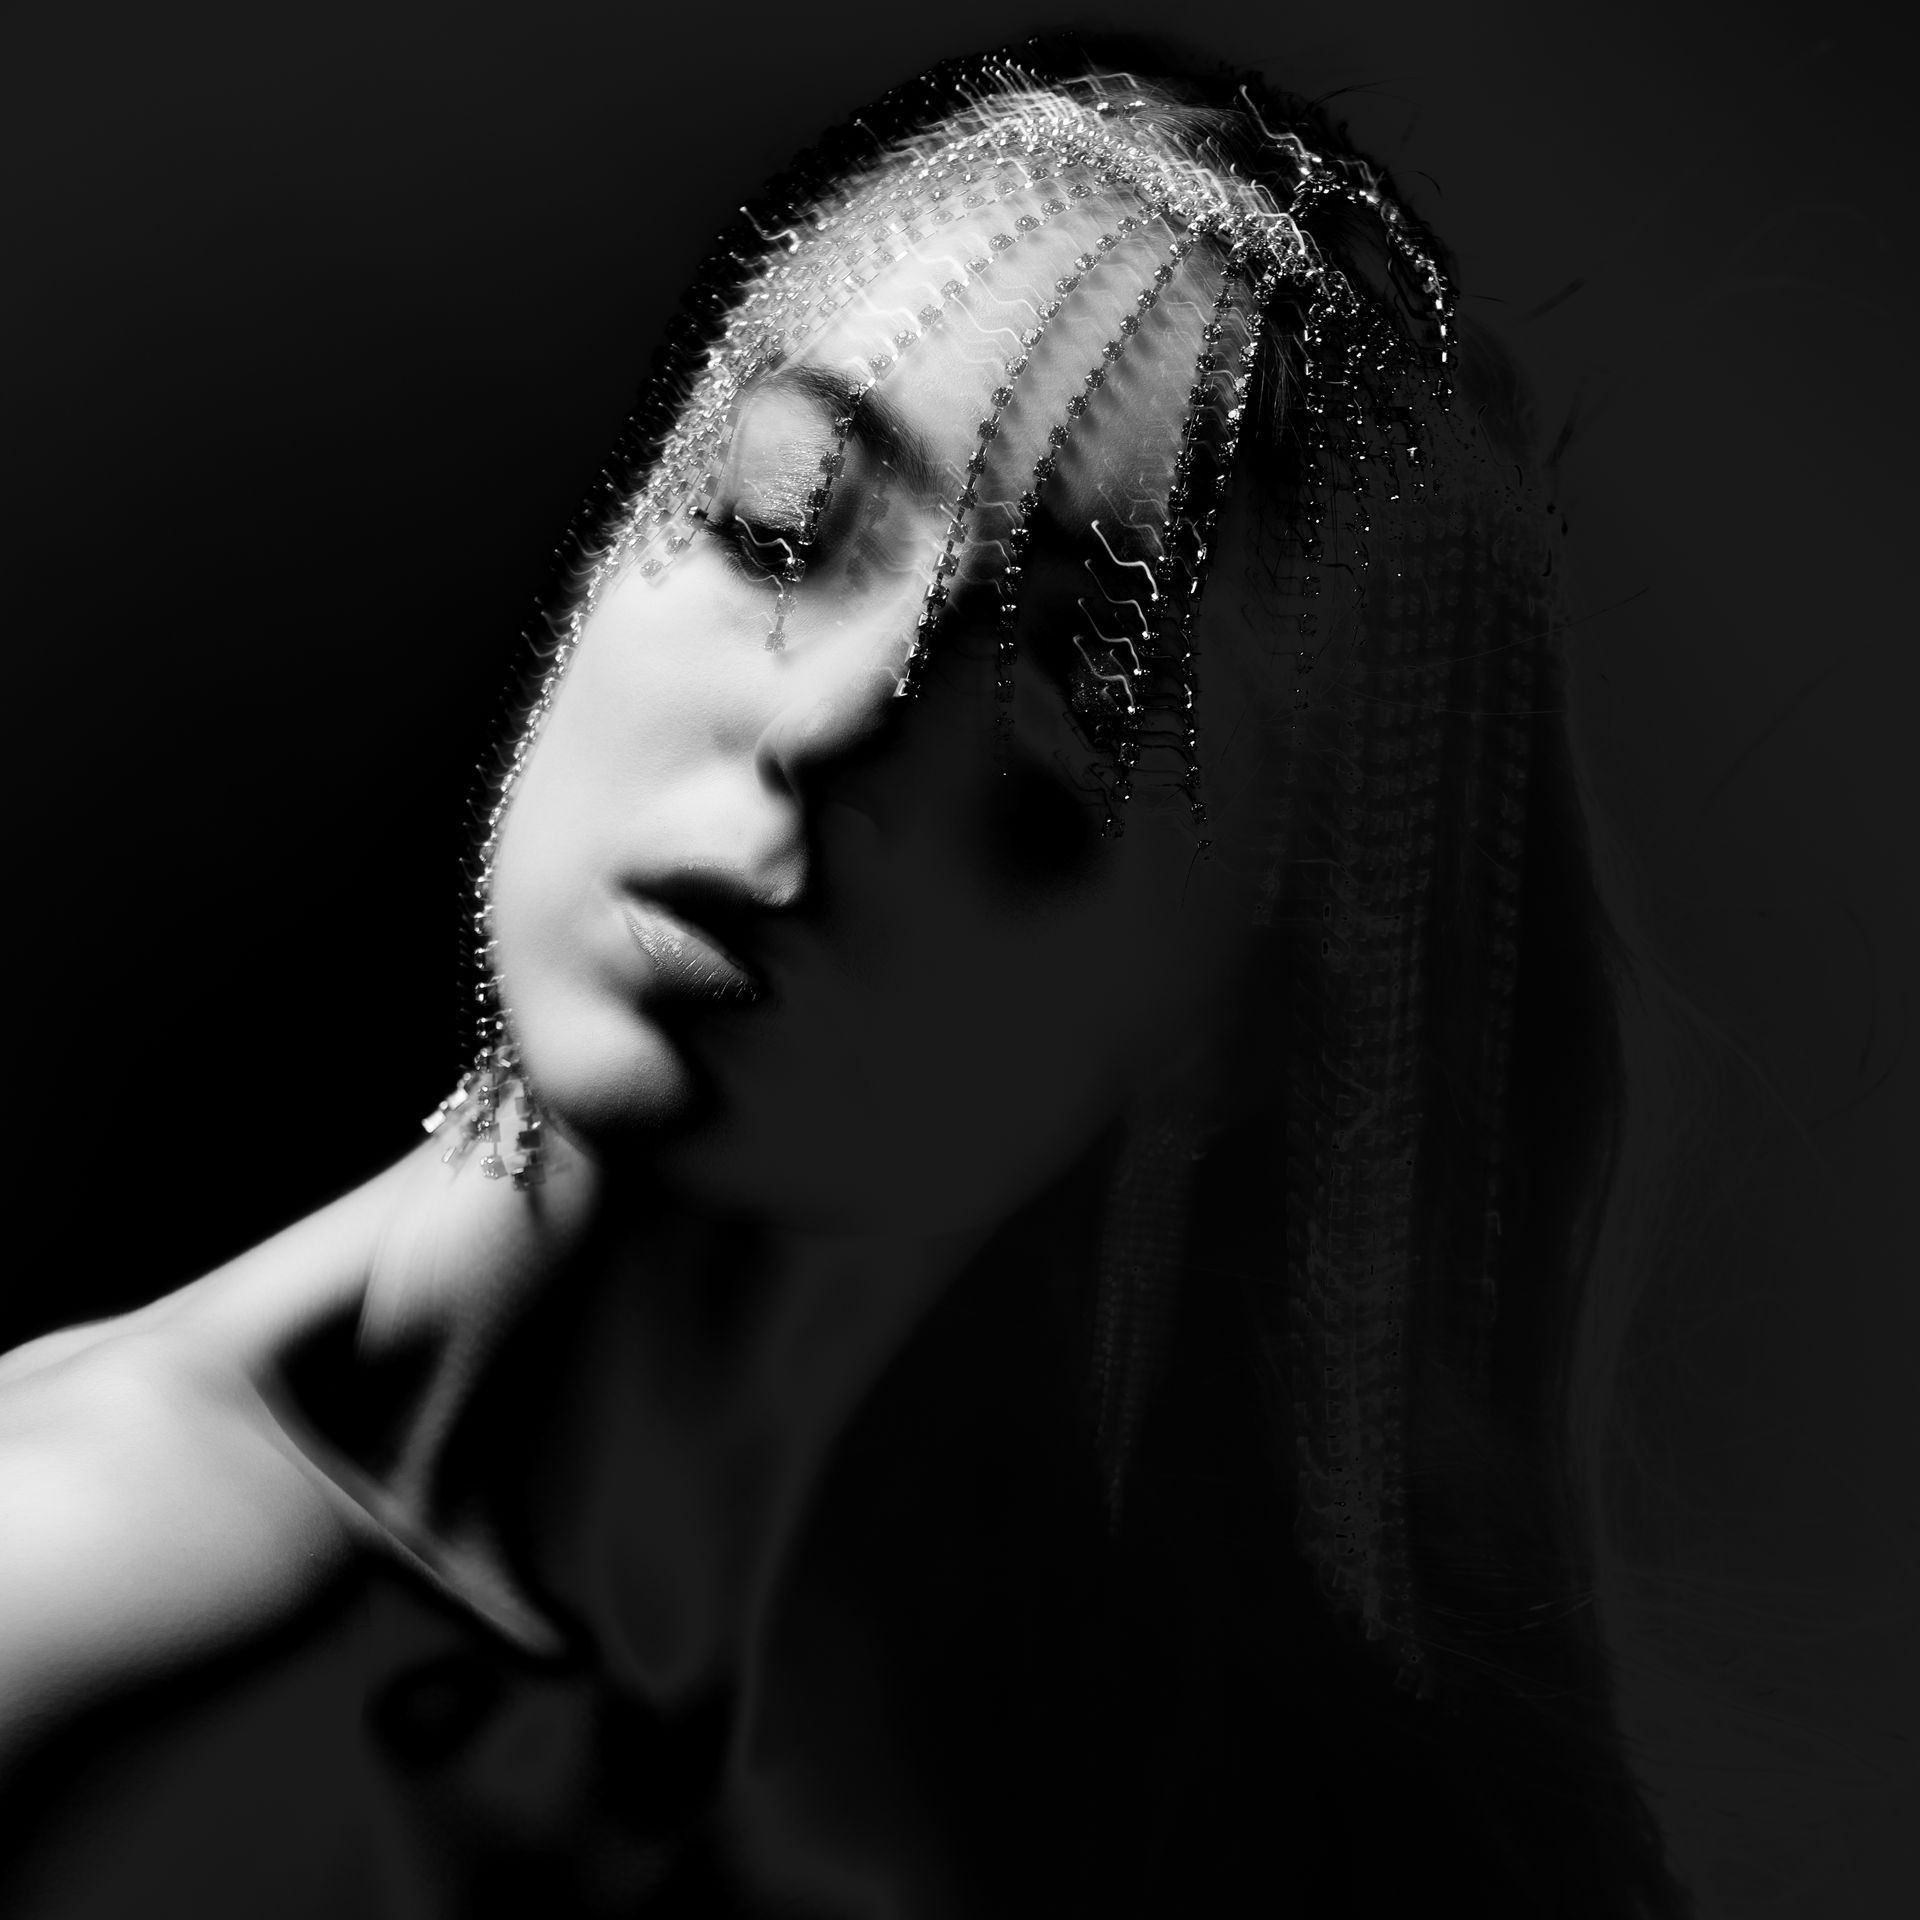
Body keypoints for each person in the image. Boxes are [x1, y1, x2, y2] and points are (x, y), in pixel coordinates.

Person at [0, 35, 1691, 1919]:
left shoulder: (1057, 1789)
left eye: (1064, 733)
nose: (824, 731)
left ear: (1234, 1030)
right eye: (771, 525)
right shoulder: (66, 1599)